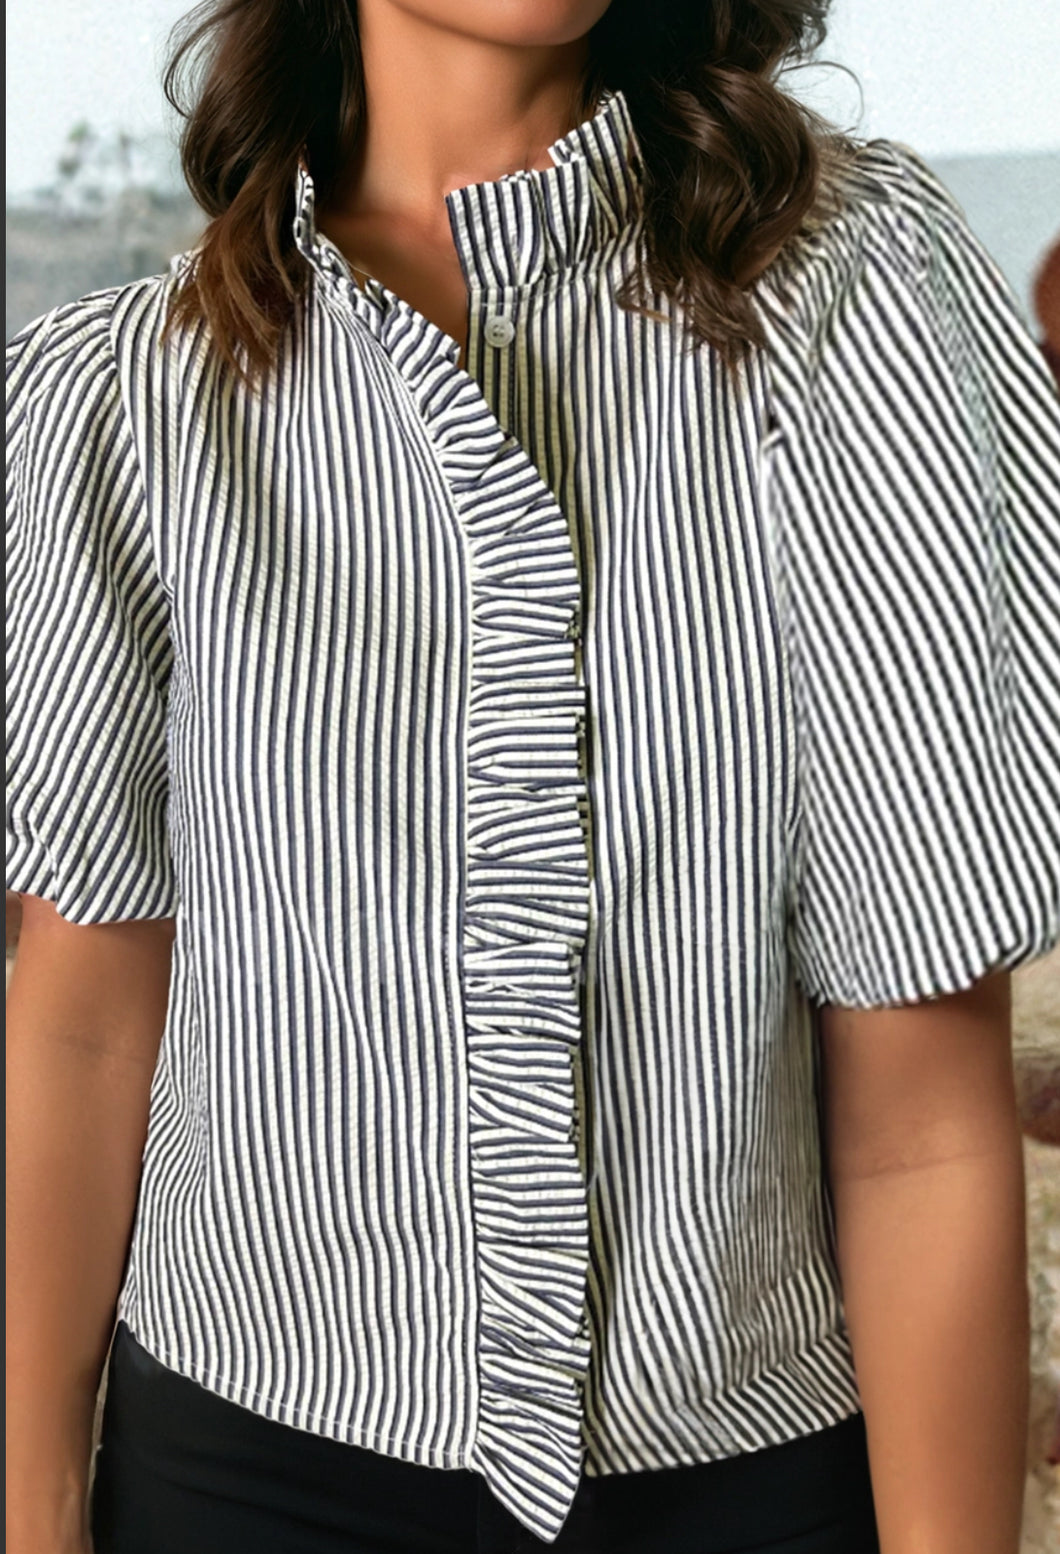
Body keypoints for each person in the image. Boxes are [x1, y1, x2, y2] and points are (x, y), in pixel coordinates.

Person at [6, 3, 1060, 1552]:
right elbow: (87, 1017)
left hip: (750, 1476)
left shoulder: (851, 305)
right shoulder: (128, 405)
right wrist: (33, 1506)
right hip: (234, 1469)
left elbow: (921, 1108)